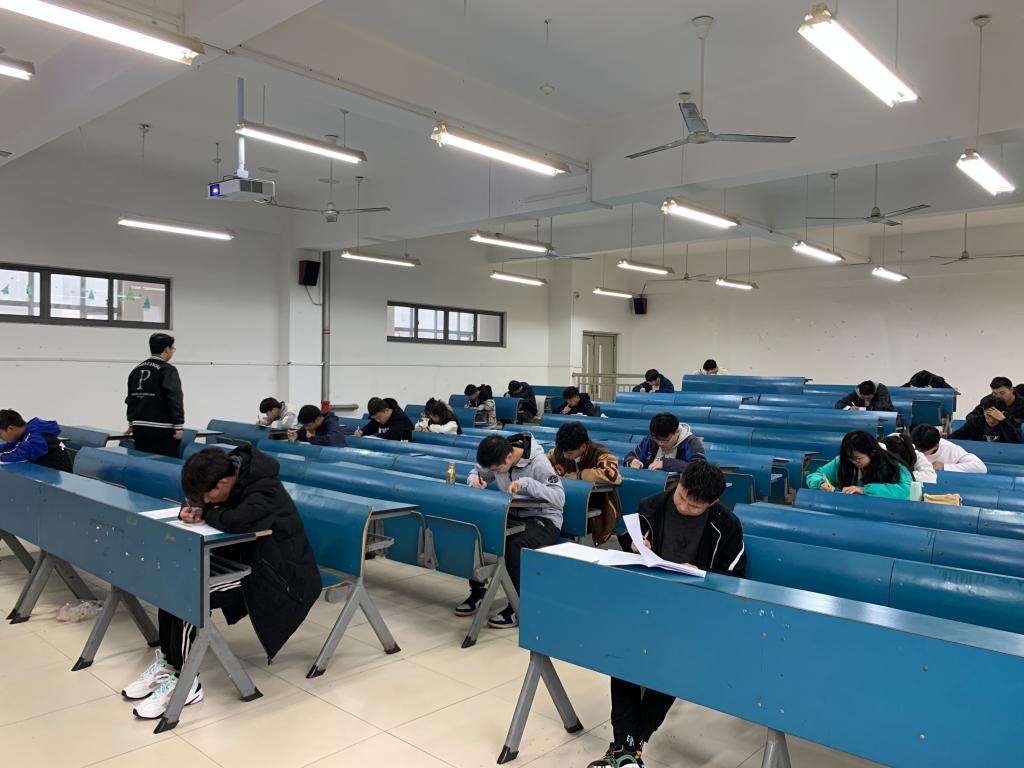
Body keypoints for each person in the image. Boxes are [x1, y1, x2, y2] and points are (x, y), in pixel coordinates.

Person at [123, 445, 320, 720]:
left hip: (279, 576)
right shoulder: (225, 475)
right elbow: (204, 502)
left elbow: (236, 520)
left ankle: (186, 683)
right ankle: (171, 664)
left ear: (225, 482)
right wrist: (189, 509)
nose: (205, 500)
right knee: (171, 584)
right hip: (248, 562)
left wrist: (205, 512)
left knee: (189, 593)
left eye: (208, 495)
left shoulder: (266, 489)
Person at [589, 460, 745, 768]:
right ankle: (627, 748)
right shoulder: (652, 506)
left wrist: (701, 572)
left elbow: (736, 577)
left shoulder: (726, 524)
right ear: (679, 482)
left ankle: (627, 747)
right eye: (682, 497)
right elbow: (630, 543)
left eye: (695, 506)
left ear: (713, 502)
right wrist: (635, 547)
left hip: (695, 609)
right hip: (647, 599)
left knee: (673, 661)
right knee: (622, 653)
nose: (685, 507)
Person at [458, 433, 564, 628]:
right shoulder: (497, 456)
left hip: (544, 519)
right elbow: (477, 472)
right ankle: (478, 592)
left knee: (514, 546)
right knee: (475, 533)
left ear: (509, 457)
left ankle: (517, 605)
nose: (494, 473)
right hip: (511, 515)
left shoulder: (538, 463)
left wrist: (527, 484)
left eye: (496, 470)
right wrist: (474, 480)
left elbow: (559, 498)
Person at [547, 421, 622, 545]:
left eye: (569, 453)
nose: (565, 456)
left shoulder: (600, 453)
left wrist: (579, 476)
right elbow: (543, 463)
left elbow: (613, 476)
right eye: (563, 452)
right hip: (566, 502)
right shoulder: (561, 451)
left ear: (583, 447)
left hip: (597, 505)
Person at [806, 430, 913, 499]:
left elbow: (906, 491)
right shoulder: (842, 462)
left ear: (872, 453)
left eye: (857, 458)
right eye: (849, 458)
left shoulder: (892, 466)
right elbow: (815, 476)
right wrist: (821, 483)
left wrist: (865, 490)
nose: (853, 462)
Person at [126, 332, 184, 457]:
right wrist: (178, 426)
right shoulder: (167, 369)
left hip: (139, 427)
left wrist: (131, 422)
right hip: (162, 428)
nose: (172, 352)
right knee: (165, 463)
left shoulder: (136, 369)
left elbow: (130, 398)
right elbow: (174, 397)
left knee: (142, 461)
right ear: (166, 349)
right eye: (172, 348)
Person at [624, 412, 705, 472]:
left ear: (677, 432)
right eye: (657, 440)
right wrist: (631, 462)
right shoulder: (651, 439)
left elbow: (699, 468)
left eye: (666, 440)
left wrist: (665, 464)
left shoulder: (691, 442)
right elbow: (631, 455)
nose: (660, 443)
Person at [0, 409, 72, 472]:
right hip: (45, 470)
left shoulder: (36, 437)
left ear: (10, 428)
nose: (0, 438)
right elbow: (12, 445)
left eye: (0, 434)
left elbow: (20, 454)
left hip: (56, 474)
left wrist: (2, 456)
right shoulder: (26, 432)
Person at [910, 424, 987, 473]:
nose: (917, 452)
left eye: (922, 451)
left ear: (936, 446)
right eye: (915, 448)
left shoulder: (951, 449)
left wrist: (944, 466)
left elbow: (981, 468)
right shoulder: (910, 445)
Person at [952, 396, 1022, 444]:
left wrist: (1003, 421)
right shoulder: (975, 422)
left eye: (995, 416)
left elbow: (1016, 443)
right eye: (988, 415)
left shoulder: (1012, 423)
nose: (991, 420)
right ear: (983, 411)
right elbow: (955, 437)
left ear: (1003, 413)